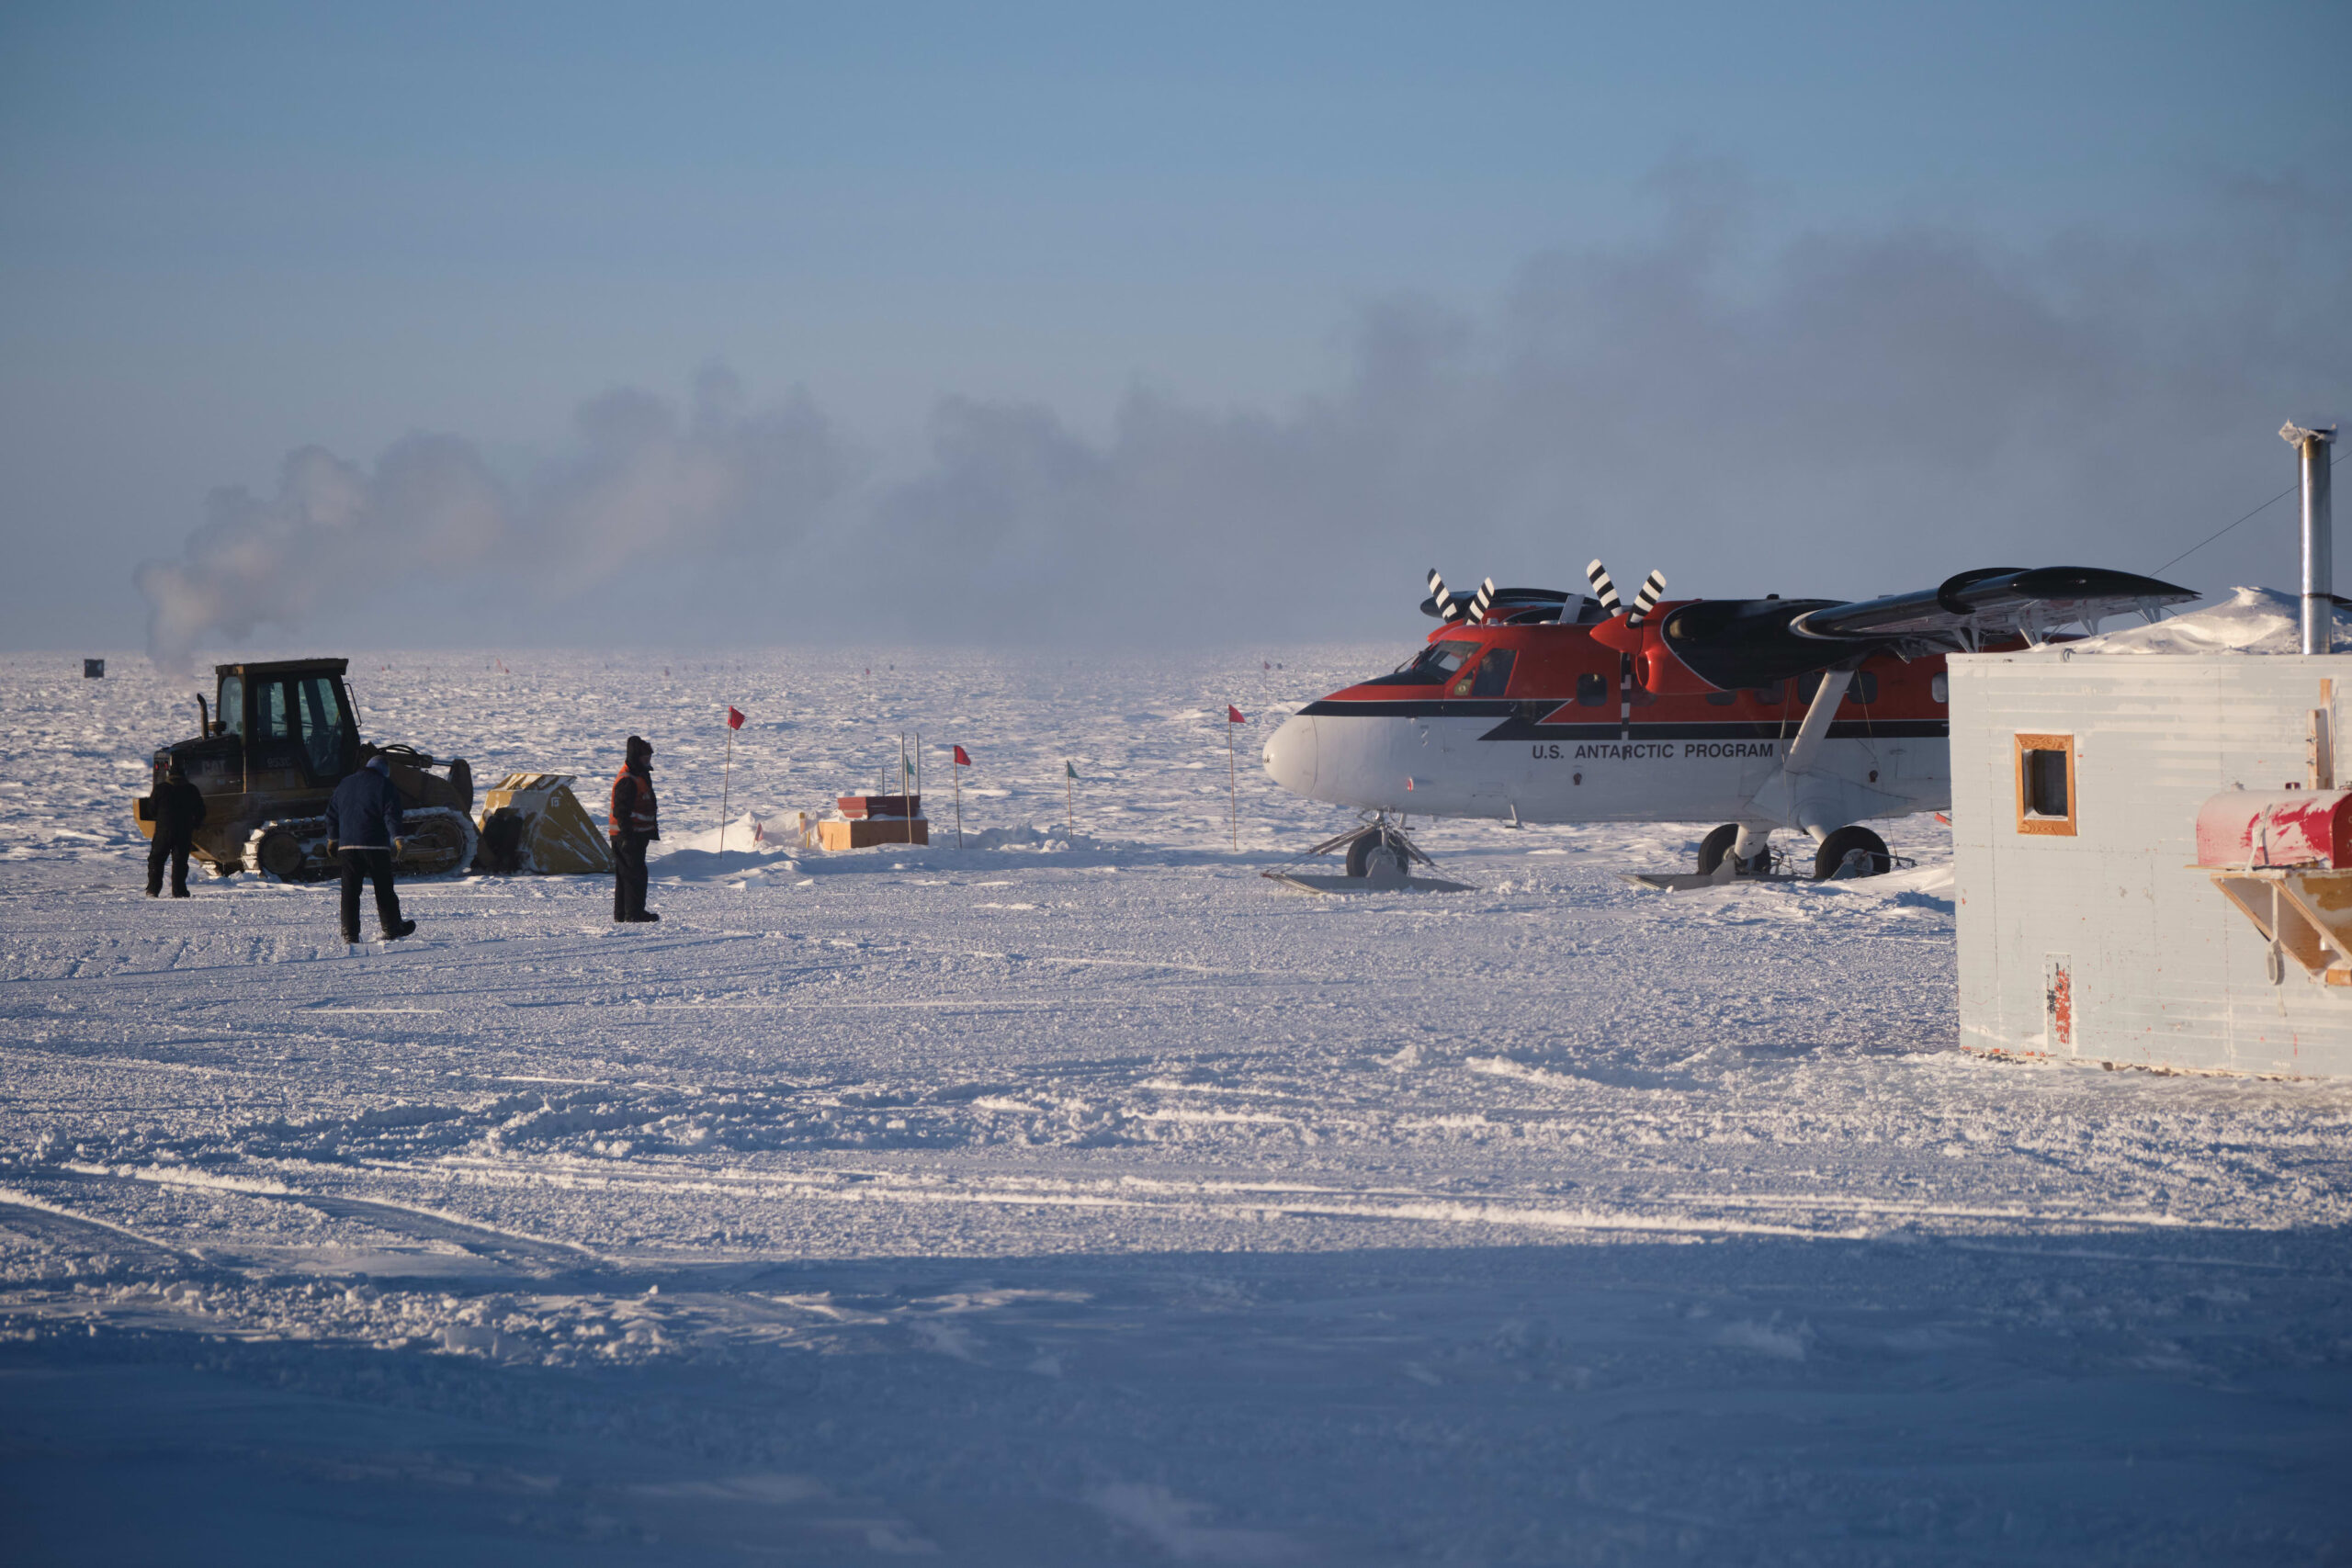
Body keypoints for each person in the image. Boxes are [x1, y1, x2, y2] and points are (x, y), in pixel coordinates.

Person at [326, 753, 416, 944]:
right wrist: (398, 839)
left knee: (350, 891)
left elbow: (332, 813)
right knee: (383, 889)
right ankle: (392, 928)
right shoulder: (384, 784)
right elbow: (391, 814)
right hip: (375, 845)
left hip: (348, 846)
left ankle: (350, 934)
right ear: (384, 770)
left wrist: (333, 839)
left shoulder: (345, 784)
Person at [609, 734, 660, 923]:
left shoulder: (639, 774)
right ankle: (634, 914)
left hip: (633, 835)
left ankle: (623, 914)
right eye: (645, 757)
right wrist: (627, 836)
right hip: (628, 836)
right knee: (634, 875)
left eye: (649, 757)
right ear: (636, 757)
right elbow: (621, 810)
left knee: (626, 875)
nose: (648, 760)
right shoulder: (628, 779)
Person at [143, 760, 207, 897]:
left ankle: (153, 890)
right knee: (180, 861)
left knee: (157, 859)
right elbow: (201, 811)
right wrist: (195, 825)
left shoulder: (160, 789)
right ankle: (179, 891)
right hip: (184, 831)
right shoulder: (191, 789)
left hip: (163, 831)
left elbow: (151, 810)